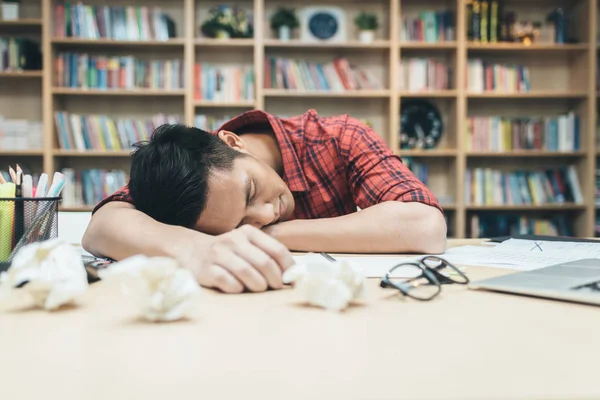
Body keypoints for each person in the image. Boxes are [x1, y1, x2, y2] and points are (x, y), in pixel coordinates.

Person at [82, 109, 447, 294]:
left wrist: (273, 234)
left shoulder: (338, 138)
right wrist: (196, 249)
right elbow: (103, 226)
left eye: (251, 192)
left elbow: (424, 226)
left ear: (232, 142)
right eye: (241, 225)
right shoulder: (176, 176)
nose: (267, 213)